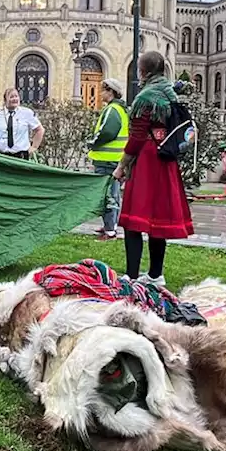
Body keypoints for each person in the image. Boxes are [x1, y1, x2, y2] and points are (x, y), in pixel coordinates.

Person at [113, 51, 194, 285]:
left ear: (143, 72)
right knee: (158, 220)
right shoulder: (171, 94)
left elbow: (137, 138)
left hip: (148, 160)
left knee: (133, 219)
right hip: (166, 159)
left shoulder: (145, 98)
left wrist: (121, 167)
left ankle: (131, 274)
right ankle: (156, 274)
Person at [86, 78, 130, 241]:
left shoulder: (112, 110)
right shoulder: (119, 109)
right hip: (114, 159)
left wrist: (92, 142)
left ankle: (110, 230)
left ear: (110, 91)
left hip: (107, 160)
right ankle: (111, 226)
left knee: (107, 196)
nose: (100, 93)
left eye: (103, 90)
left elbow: (107, 132)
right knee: (113, 194)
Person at [0, 88, 43, 160]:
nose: (15, 99)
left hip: (20, 156)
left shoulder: (27, 113)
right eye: (11, 97)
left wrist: (34, 147)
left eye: (16, 96)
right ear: (5, 100)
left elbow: (39, 130)